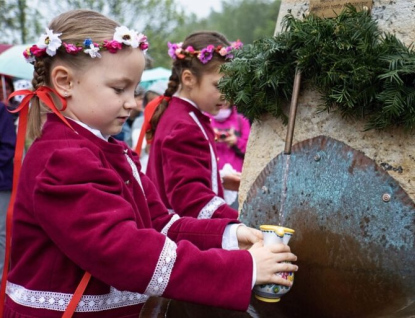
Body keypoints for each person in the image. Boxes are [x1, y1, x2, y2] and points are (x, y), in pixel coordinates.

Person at [2, 10, 298, 318]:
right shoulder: (62, 158)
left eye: (134, 89)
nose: (132, 102)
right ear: (64, 81)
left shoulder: (104, 150)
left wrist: (230, 235)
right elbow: (123, 252)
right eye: (119, 89)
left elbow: (162, 224)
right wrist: (244, 268)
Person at [145, 32, 244, 220]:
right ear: (188, 78)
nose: (227, 94)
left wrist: (218, 178)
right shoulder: (184, 126)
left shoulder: (179, 114)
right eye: (219, 85)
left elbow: (177, 176)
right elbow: (190, 199)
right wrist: (241, 225)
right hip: (185, 238)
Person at [209, 102, 251, 209]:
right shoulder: (204, 119)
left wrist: (236, 141)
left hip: (236, 182)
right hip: (212, 180)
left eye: (225, 97)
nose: (221, 101)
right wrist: (209, 138)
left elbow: (251, 149)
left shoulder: (241, 120)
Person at [0, 101, 16, 286]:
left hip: (1, 182)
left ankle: (1, 279)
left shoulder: (1, 110)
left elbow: (8, 146)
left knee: (0, 233)